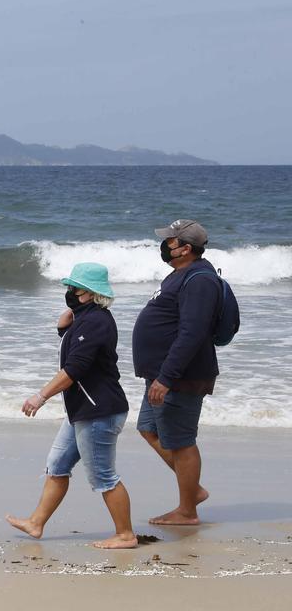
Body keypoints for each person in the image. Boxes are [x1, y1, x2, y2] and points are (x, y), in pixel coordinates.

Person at [6, 262, 136, 549]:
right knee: (58, 465)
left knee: (103, 476)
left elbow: (74, 368)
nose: (68, 292)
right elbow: (77, 350)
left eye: (73, 288)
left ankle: (125, 534)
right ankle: (36, 523)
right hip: (83, 411)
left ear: (89, 293)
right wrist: (62, 327)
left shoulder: (94, 322)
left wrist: (40, 397)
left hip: (99, 412)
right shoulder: (86, 318)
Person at [132, 219, 218, 525]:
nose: (165, 245)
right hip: (162, 373)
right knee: (148, 428)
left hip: (179, 376)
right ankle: (191, 490)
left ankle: (187, 511)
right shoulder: (180, 275)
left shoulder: (200, 281)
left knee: (181, 441)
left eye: (170, 241)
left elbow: (192, 333)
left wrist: (167, 377)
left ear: (185, 248)